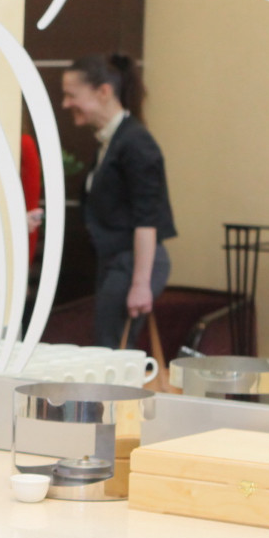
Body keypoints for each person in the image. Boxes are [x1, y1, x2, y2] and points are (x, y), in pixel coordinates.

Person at [60, 54, 176, 348]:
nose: (65, 104)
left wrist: (140, 284)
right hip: (118, 261)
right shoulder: (112, 142)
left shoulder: (135, 143)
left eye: (72, 95)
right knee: (109, 347)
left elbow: (147, 220)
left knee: (110, 350)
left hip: (133, 262)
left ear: (103, 92)